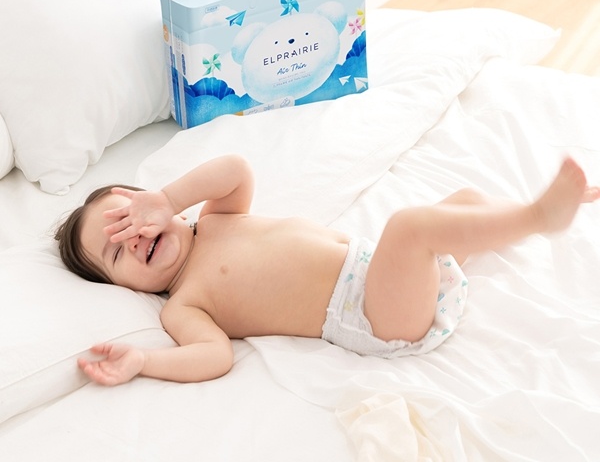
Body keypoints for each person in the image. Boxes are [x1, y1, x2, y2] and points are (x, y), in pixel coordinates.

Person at [55, 155, 599, 386]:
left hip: (387, 274)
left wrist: (170, 197)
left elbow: (236, 169)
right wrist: (144, 362)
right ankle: (539, 217)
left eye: (130, 219)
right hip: (374, 316)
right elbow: (214, 356)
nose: (135, 238)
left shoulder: (217, 218)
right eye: (117, 252)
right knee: (410, 227)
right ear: (120, 287)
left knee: (466, 202)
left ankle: (517, 218)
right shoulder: (183, 303)